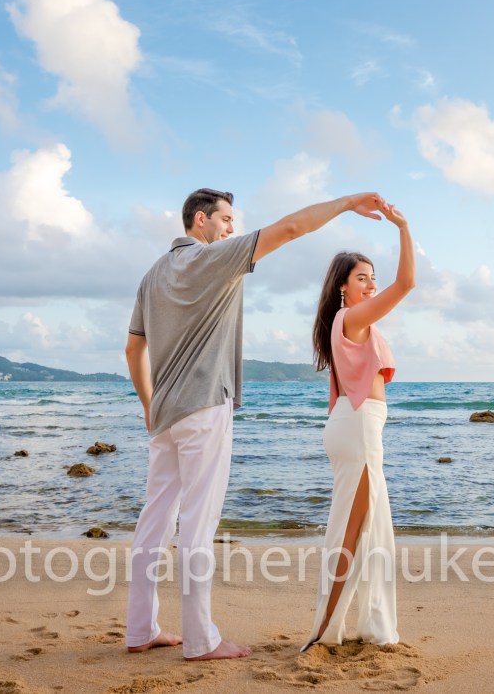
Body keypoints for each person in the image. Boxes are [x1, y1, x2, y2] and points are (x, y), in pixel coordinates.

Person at [124, 187, 387, 662]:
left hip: (164, 412)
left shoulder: (151, 275)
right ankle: (201, 640)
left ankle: (140, 628)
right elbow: (290, 229)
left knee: (154, 521)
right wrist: (347, 203)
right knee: (198, 526)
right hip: (203, 408)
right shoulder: (212, 258)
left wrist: (148, 404)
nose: (231, 228)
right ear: (200, 220)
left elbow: (133, 350)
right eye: (226, 220)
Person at [303, 202, 414, 650]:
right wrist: (404, 227)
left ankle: (349, 627)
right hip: (358, 429)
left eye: (372, 276)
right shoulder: (352, 317)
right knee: (357, 530)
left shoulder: (344, 321)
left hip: (353, 426)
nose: (371, 284)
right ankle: (325, 632)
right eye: (362, 278)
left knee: (362, 528)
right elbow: (407, 283)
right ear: (344, 288)